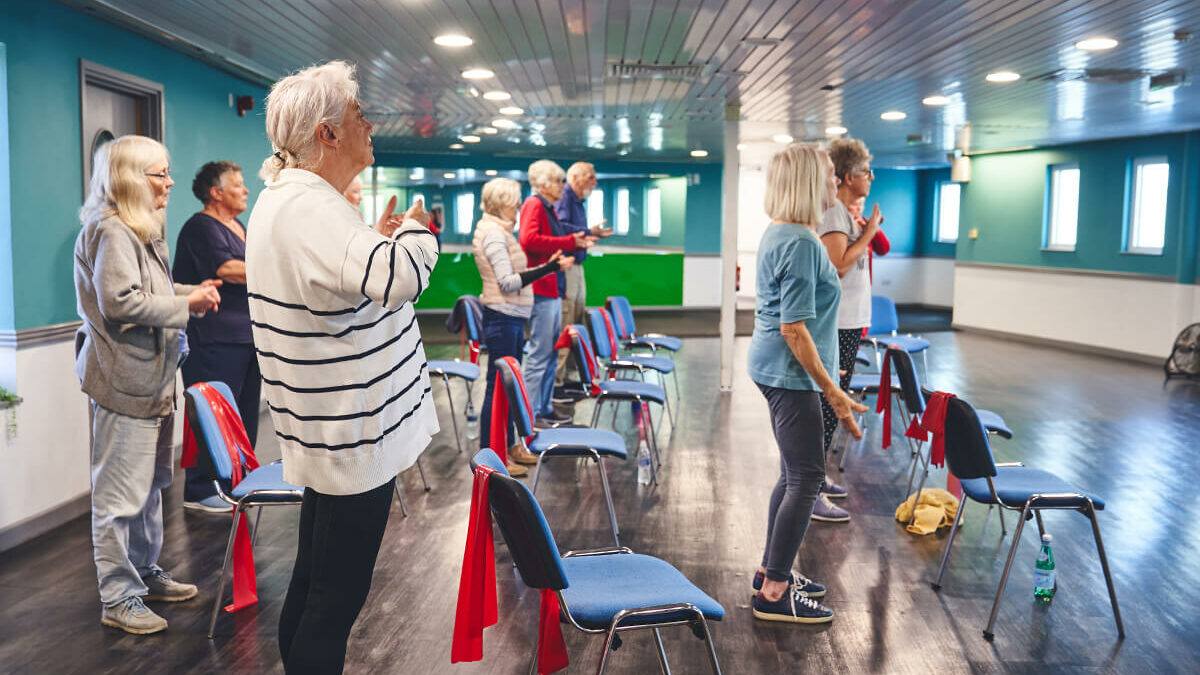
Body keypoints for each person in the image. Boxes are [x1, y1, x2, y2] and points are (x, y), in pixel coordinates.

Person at [247, 61, 439, 674]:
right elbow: (396, 276)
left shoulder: (300, 200)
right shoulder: (308, 207)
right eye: (359, 113)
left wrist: (373, 242)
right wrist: (416, 231)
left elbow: (345, 285)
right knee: (333, 599)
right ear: (328, 133)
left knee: (315, 585)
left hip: (336, 428)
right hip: (349, 432)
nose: (370, 123)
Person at [74, 135, 222, 634]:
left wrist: (188, 292)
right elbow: (119, 302)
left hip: (153, 383)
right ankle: (118, 596)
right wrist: (188, 306)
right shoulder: (111, 230)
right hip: (126, 384)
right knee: (118, 497)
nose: (170, 182)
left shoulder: (139, 230)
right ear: (131, 179)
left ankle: (143, 571)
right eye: (160, 173)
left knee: (152, 487)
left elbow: (149, 291)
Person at [746, 143, 867, 625]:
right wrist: (832, 391)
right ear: (806, 184)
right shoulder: (798, 241)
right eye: (826, 177)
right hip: (788, 371)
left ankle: (769, 572)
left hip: (785, 366)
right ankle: (774, 592)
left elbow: (802, 325)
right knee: (807, 477)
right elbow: (793, 328)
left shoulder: (787, 232)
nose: (833, 186)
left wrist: (825, 366)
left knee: (793, 473)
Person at [473, 177, 573, 475]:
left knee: (506, 387)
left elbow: (513, 274)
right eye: (515, 202)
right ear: (502, 204)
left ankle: (508, 446)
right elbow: (508, 282)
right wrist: (549, 268)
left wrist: (546, 267)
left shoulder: (499, 231)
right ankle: (495, 456)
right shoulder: (493, 234)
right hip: (502, 317)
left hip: (510, 317)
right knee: (497, 388)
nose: (518, 207)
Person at [173, 161, 258, 514]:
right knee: (213, 415)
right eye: (238, 184)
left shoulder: (236, 225)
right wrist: (278, 266)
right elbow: (227, 270)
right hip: (213, 339)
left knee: (243, 415)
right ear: (216, 192)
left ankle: (237, 483)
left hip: (245, 336)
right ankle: (202, 489)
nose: (246, 189)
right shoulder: (200, 226)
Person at [810, 137, 884, 523]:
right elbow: (838, 265)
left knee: (831, 406)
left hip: (850, 319)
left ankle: (817, 479)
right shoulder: (836, 213)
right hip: (838, 322)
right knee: (828, 406)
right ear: (847, 176)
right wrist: (869, 231)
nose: (870, 179)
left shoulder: (842, 213)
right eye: (866, 173)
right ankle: (811, 490)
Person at [518, 159, 593, 427]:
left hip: (551, 286)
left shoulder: (546, 207)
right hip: (541, 289)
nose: (563, 186)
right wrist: (568, 242)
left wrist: (574, 240)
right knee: (540, 355)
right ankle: (529, 416)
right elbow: (528, 240)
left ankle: (544, 408)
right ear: (544, 184)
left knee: (550, 353)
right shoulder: (534, 204)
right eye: (560, 181)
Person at [552, 162, 613, 389]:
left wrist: (590, 232)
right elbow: (561, 228)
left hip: (577, 265)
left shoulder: (577, 201)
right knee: (567, 321)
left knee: (577, 320)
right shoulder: (565, 197)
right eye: (590, 177)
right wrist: (590, 232)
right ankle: (557, 383)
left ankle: (569, 375)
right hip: (566, 266)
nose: (594, 182)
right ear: (575, 178)